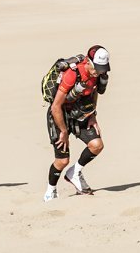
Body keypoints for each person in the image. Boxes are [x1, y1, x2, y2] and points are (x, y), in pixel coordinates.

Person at [44, 47, 111, 202]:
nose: (99, 72)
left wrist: (93, 115)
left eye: (103, 69)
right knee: (62, 161)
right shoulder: (72, 75)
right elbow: (55, 106)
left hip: (80, 112)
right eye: (97, 68)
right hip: (60, 114)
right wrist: (63, 131)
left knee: (97, 145)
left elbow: (93, 93)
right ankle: (50, 191)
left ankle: (75, 172)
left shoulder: (97, 74)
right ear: (88, 61)